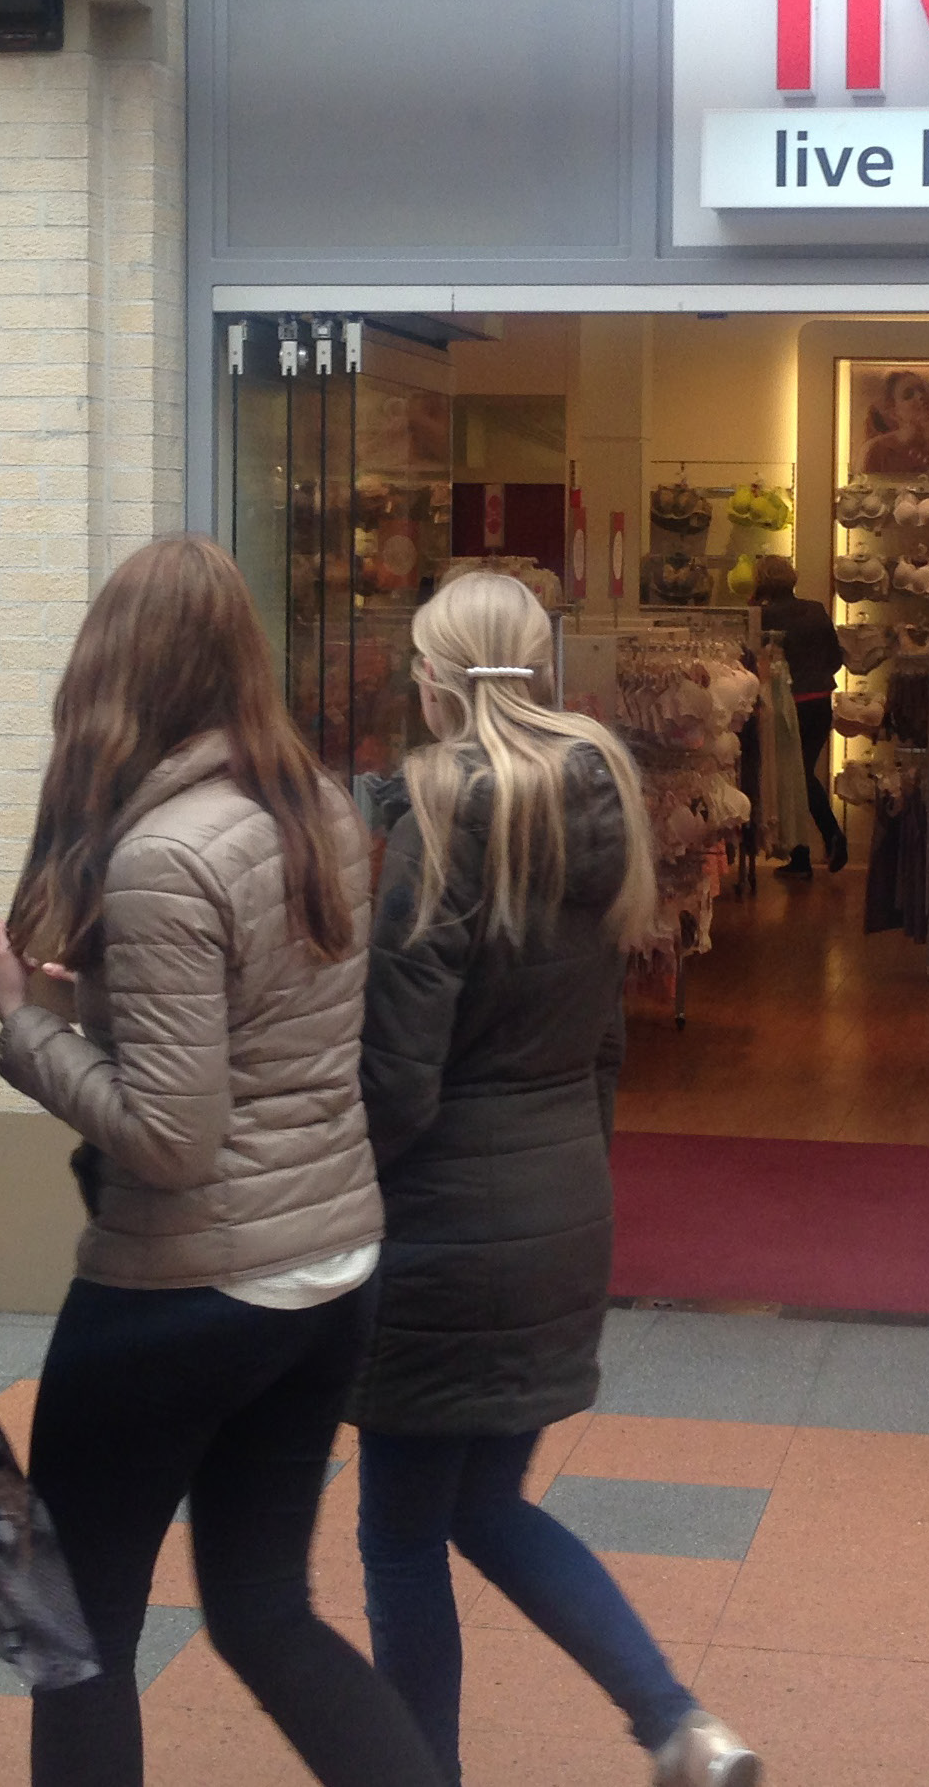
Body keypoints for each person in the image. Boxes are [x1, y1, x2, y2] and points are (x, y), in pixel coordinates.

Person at [0, 534, 447, 1787]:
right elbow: (257, 1043)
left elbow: (175, 1141)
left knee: (80, 1636)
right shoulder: (317, 809)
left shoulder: (165, 855)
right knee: (263, 1611)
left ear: (113, 672)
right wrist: (99, 1012)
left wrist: (26, 1026)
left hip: (185, 1291)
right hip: (327, 1268)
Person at [350, 572, 764, 1787]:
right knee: (487, 1506)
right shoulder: (603, 799)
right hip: (560, 1203)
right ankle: (678, 1724)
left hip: (443, 1223)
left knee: (399, 1538)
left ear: (439, 678)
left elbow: (401, 1074)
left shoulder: (441, 818)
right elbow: (603, 1047)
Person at [747, 555, 846, 876]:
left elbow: (754, 664)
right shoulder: (816, 609)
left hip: (789, 705)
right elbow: (835, 659)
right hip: (820, 701)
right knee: (800, 776)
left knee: (795, 778)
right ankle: (804, 855)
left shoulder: (762, 617)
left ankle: (829, 838)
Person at [856, 369, 929, 475]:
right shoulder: (874, 450)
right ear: (894, 412)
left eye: (923, 390)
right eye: (908, 395)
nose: (920, 396)